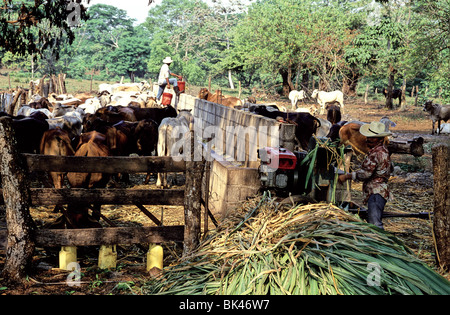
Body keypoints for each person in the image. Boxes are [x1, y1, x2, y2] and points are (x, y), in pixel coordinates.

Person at [338, 121, 394, 229]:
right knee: (373, 220)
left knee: (375, 224)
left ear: (380, 139)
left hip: (376, 192)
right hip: (378, 190)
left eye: (372, 137)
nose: (368, 139)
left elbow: (365, 174)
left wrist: (347, 176)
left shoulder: (376, 153)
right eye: (368, 137)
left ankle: (379, 243)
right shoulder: (381, 151)